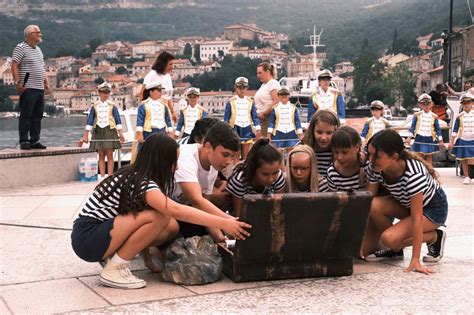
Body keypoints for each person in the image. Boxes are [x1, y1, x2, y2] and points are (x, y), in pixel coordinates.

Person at [71, 133, 251, 289]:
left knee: (170, 227)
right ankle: (114, 269)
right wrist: (225, 222)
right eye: (174, 162)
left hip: (96, 235)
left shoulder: (137, 177)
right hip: (88, 237)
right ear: (161, 161)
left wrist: (148, 260)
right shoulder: (141, 182)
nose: (177, 168)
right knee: (159, 217)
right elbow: (176, 210)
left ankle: (114, 258)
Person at [362, 129, 448, 275]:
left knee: (388, 239)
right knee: (373, 205)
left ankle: (435, 236)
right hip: (407, 204)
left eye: (377, 156)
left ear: (394, 157)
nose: (371, 159)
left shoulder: (413, 174)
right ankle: (396, 247)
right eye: (369, 154)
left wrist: (415, 259)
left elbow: (416, 219)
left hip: (433, 210)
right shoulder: (375, 167)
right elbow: (368, 199)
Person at [173, 122, 241, 242]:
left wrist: (220, 238)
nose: (229, 161)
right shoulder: (185, 157)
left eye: (231, 156)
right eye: (225, 155)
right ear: (208, 146)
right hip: (157, 212)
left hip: (182, 211)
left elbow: (203, 207)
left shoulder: (213, 165)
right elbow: (196, 200)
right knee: (171, 228)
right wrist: (230, 221)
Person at [11, 25, 50, 150]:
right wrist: (18, 82)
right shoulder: (20, 48)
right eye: (38, 32)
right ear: (30, 34)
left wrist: (47, 83)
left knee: (37, 115)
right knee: (26, 115)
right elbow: (14, 65)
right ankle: (24, 141)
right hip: (28, 87)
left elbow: (42, 68)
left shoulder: (39, 50)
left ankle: (34, 140)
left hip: (39, 88)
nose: (40, 34)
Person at [227, 138, 286, 216]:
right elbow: (239, 214)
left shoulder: (278, 177)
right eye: (265, 174)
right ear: (253, 169)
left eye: (275, 173)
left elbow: (279, 207)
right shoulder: (239, 180)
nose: (271, 179)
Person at [82, 82, 125, 179]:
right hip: (98, 130)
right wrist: (86, 135)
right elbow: (90, 120)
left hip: (109, 130)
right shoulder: (95, 106)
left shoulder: (112, 106)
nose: (105, 95)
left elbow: (118, 120)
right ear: (99, 93)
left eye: (107, 92)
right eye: (103, 92)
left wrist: (121, 134)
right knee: (101, 154)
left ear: (109, 93)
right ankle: (101, 176)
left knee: (110, 154)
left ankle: (110, 176)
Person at [224, 77, 261, 160]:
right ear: (235, 88)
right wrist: (225, 130)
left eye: (243, 88)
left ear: (247, 88)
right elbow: (226, 118)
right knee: (235, 155)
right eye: (239, 87)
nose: (241, 90)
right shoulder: (230, 101)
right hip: (235, 128)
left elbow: (254, 116)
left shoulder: (250, 101)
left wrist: (258, 129)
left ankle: (244, 171)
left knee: (246, 155)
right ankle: (235, 171)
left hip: (247, 128)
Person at [406, 93, 444, 166]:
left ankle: (430, 173)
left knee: (429, 157)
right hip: (419, 137)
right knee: (419, 157)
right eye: (424, 104)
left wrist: (440, 140)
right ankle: (421, 171)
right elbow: (412, 127)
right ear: (420, 105)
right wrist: (409, 137)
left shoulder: (434, 116)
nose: (426, 106)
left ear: (431, 104)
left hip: (430, 138)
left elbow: (438, 129)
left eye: (428, 104)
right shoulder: (417, 115)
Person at [326, 126, 368, 192]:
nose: (339, 157)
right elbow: (334, 198)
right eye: (336, 152)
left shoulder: (368, 166)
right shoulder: (332, 172)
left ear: (356, 147)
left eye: (345, 152)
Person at [302, 110, 340, 176]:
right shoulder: (302, 148)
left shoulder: (340, 150)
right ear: (312, 130)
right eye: (319, 132)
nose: (323, 138)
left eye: (329, 133)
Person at [136, 82, 174, 148]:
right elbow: (140, 121)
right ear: (151, 92)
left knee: (162, 153)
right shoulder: (143, 105)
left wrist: (171, 132)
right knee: (148, 152)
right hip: (149, 132)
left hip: (162, 131)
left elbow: (168, 120)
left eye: (161, 91)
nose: (160, 93)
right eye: (158, 91)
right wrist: (140, 134)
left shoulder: (163, 105)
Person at [142, 51, 177, 122]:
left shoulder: (168, 76)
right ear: (163, 64)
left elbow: (168, 97)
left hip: (166, 112)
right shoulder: (152, 75)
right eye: (170, 64)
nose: (172, 67)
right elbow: (142, 94)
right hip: (155, 112)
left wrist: (173, 112)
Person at [449, 92, 474, 185]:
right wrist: (452, 142)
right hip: (463, 139)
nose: (466, 105)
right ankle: (466, 176)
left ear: (472, 103)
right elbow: (455, 130)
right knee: (463, 159)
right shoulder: (459, 117)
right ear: (462, 105)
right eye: (464, 103)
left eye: (468, 103)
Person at [254, 62, 280, 137]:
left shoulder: (273, 83)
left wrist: (264, 113)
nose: (258, 75)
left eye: (260, 73)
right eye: (257, 73)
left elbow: (277, 101)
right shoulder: (264, 85)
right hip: (261, 120)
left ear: (268, 72)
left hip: (267, 120)